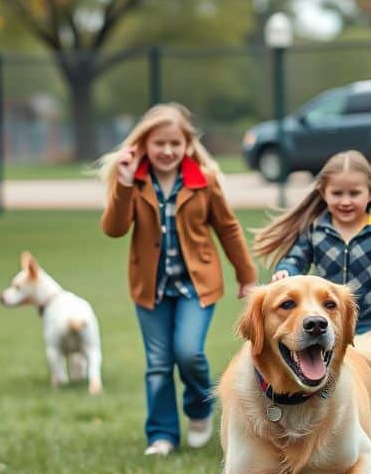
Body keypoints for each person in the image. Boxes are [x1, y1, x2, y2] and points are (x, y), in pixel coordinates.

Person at [99, 103, 258, 456]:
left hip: (196, 286)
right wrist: (124, 184)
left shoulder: (204, 180)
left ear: (187, 144)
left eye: (175, 143)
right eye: (159, 144)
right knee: (157, 364)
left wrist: (246, 276)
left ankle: (199, 409)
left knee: (189, 353)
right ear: (143, 145)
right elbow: (114, 229)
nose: (167, 151)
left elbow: (228, 228)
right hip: (150, 288)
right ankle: (162, 435)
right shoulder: (133, 180)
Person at [251, 149, 371, 443]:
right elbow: (295, 258)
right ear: (323, 193)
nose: (346, 200)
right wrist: (286, 272)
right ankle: (332, 436)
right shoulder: (315, 231)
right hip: (325, 324)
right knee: (333, 382)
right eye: (337, 193)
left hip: (370, 320)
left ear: (370, 193)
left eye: (355, 192)